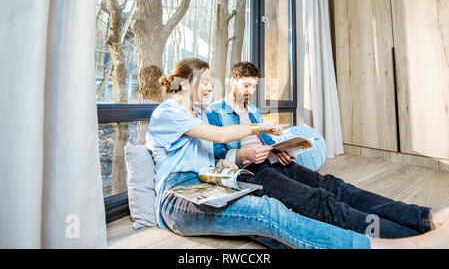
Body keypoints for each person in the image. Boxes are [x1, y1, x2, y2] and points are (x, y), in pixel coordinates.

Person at [146, 57, 449, 249]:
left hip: (217, 182)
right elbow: (221, 143)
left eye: (212, 83)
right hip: (212, 184)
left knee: (332, 187)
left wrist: (278, 150)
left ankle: (422, 219)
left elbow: (215, 158)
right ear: (186, 83)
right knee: (286, 211)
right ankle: (402, 243)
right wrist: (248, 146)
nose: (210, 89)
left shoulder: (211, 113)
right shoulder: (185, 113)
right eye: (206, 83)